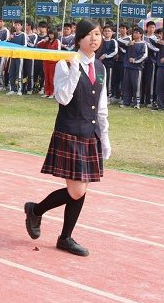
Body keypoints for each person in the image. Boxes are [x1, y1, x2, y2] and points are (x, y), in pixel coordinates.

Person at [24, 18, 111, 257]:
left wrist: (105, 136)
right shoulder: (64, 63)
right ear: (79, 38)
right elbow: (62, 98)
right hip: (70, 130)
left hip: (90, 132)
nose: (94, 39)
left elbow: (101, 106)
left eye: (98, 34)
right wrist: (74, 71)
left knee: (80, 189)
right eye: (89, 35)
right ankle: (39, 212)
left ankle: (60, 232)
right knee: (76, 190)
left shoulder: (101, 68)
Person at [119, 27, 148, 109]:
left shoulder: (143, 44)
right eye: (134, 32)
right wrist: (128, 44)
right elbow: (119, 42)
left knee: (136, 86)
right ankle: (126, 102)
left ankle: (137, 103)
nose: (134, 34)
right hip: (127, 67)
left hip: (137, 68)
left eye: (136, 32)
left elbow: (144, 55)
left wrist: (135, 60)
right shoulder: (130, 43)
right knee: (126, 85)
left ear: (141, 34)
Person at [37, 28, 62, 98]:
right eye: (50, 34)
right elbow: (38, 45)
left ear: (55, 34)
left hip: (53, 63)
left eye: (52, 34)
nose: (51, 35)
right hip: (46, 62)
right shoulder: (46, 41)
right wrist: (44, 41)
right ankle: (47, 92)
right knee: (46, 78)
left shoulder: (57, 41)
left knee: (52, 78)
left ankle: (52, 92)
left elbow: (58, 52)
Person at [98, 25, 118, 99]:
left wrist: (105, 56)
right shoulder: (100, 41)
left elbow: (115, 51)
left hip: (109, 64)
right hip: (99, 63)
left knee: (108, 79)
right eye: (105, 31)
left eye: (109, 31)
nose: (107, 32)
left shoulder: (113, 41)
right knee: (100, 78)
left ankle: (108, 95)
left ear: (112, 32)